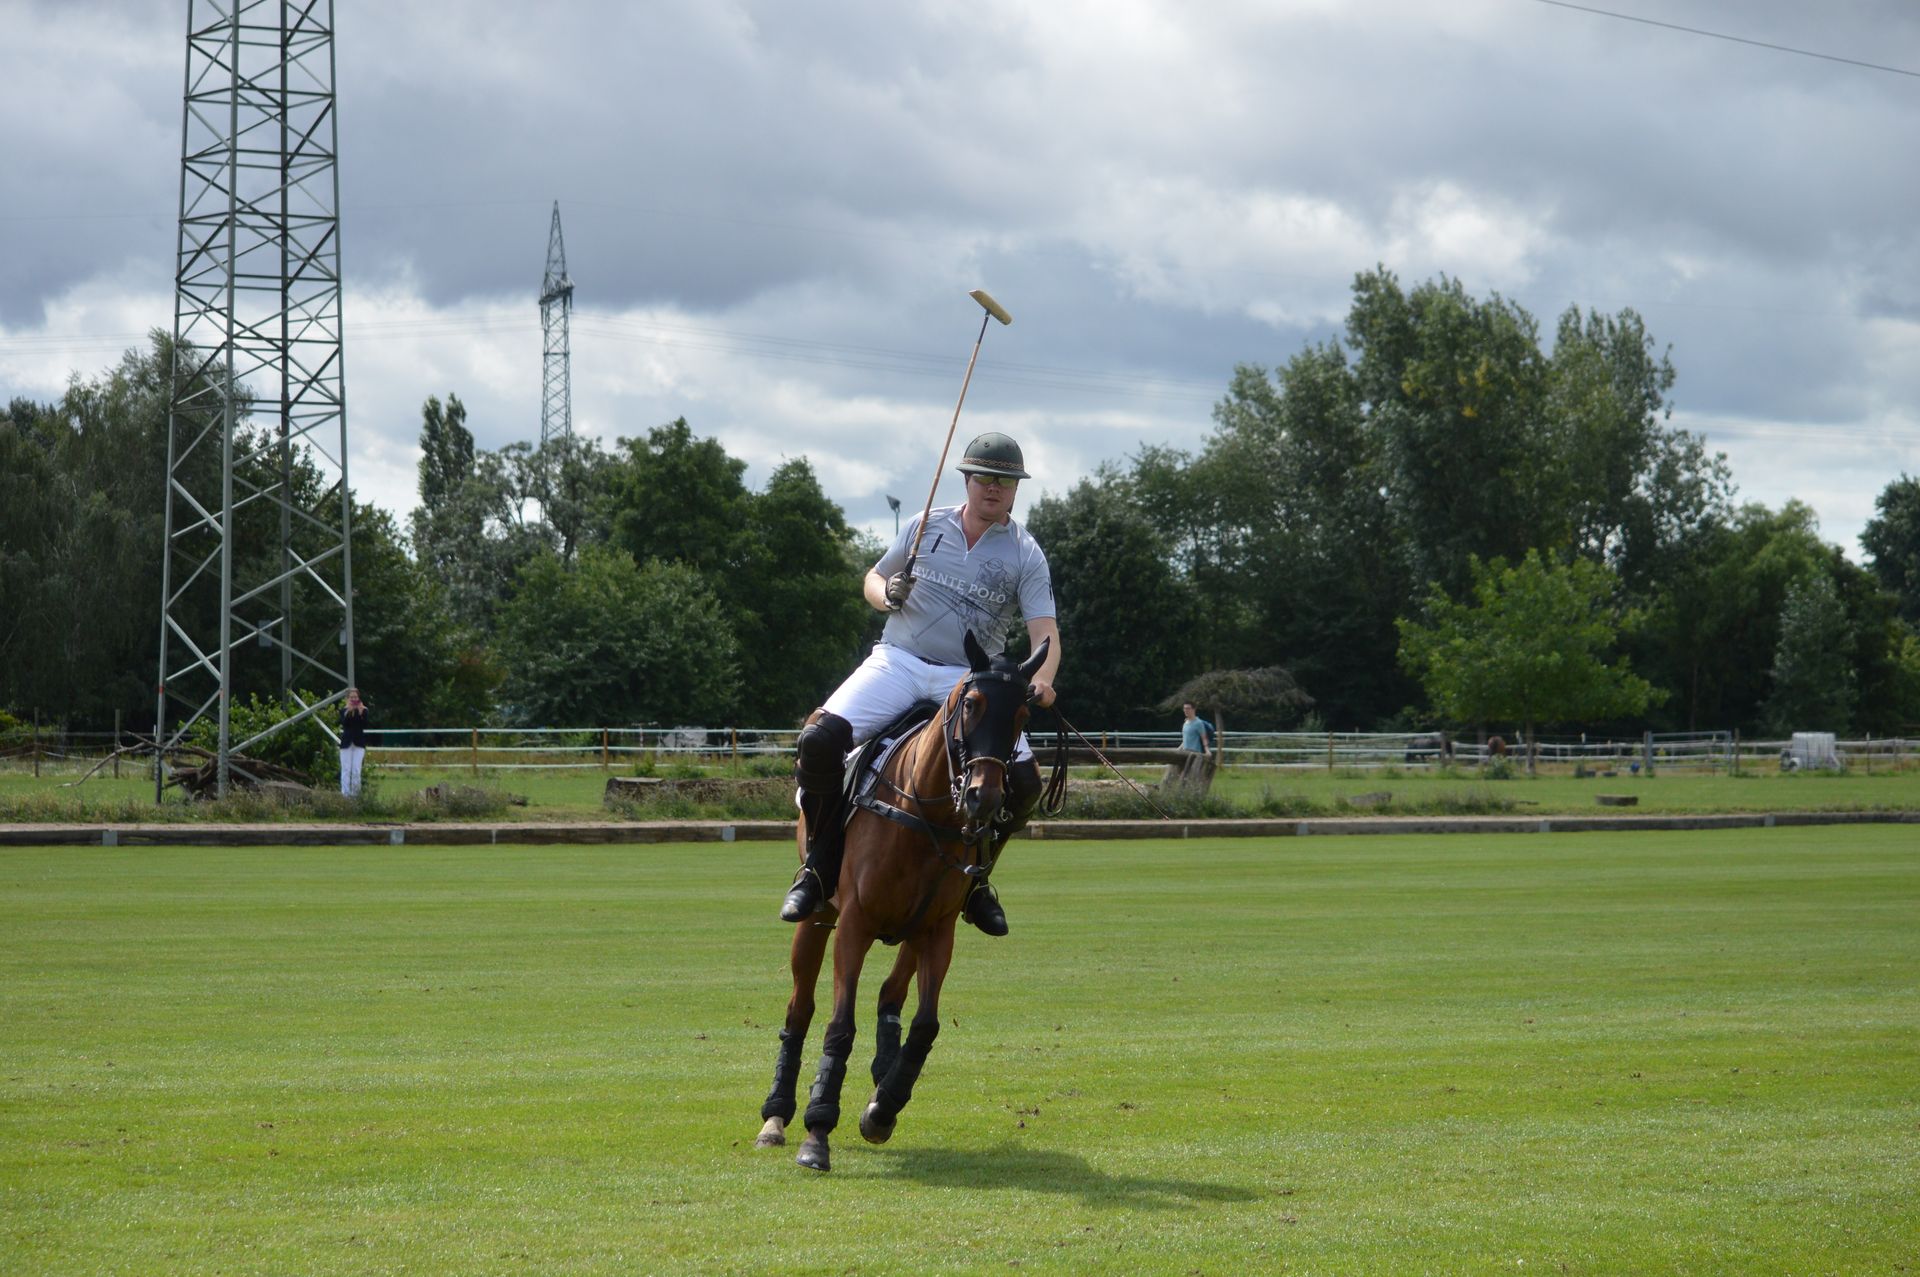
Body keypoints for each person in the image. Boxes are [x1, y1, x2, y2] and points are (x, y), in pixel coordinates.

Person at [779, 431, 1061, 937]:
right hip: (899, 661)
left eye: (1004, 481)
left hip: (966, 679)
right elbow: (873, 578)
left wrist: (1042, 680)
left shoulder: (1026, 553)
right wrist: (886, 594)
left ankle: (976, 884)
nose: (993, 488)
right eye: (984, 477)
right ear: (967, 480)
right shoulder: (925, 524)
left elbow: (1045, 633)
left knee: (1023, 783)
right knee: (819, 740)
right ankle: (818, 870)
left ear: (1016, 489)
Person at [339, 687, 369, 797]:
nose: (354, 699)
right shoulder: (343, 711)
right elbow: (344, 724)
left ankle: (356, 795)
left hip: (359, 742)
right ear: (347, 699)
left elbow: (365, 725)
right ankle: (345, 795)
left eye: (355, 697)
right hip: (346, 742)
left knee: (356, 769)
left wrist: (360, 713)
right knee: (346, 769)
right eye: (351, 697)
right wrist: (349, 711)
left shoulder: (364, 710)